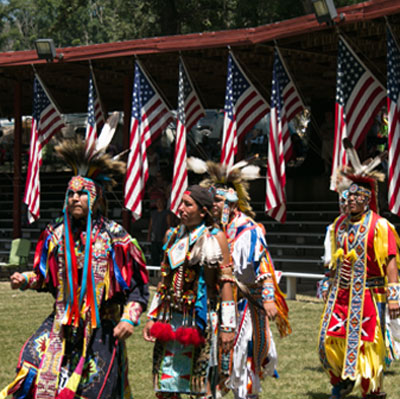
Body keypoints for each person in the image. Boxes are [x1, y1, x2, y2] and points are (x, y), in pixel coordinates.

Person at [1, 137, 149, 399]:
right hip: (62, 323)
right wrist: (24, 279)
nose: (76, 198)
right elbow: (45, 278)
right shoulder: (55, 234)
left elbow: (137, 288)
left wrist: (129, 318)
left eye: (82, 194)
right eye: (71, 193)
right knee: (31, 366)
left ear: (96, 198)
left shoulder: (116, 238)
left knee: (94, 388)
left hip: (101, 326)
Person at [189, 158, 291, 399]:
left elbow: (263, 264)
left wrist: (268, 299)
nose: (214, 206)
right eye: (212, 201)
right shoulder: (207, 229)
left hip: (245, 303)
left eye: (220, 202)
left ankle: (246, 394)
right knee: (212, 355)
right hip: (215, 303)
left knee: (242, 356)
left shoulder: (249, 230)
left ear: (232, 205)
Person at [318, 150, 400, 399]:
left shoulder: (380, 226)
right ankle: (341, 380)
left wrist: (395, 295)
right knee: (328, 340)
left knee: (368, 344)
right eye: (348, 195)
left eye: (356, 196)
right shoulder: (338, 226)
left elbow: (390, 263)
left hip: (370, 295)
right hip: (340, 294)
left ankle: (371, 390)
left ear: (367, 199)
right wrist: (327, 282)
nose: (350, 200)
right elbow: (332, 260)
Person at [143, 185, 236, 399]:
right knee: (165, 386)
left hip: (200, 321)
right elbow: (164, 278)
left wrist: (228, 327)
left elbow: (226, 282)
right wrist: (152, 316)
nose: (181, 208)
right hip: (170, 320)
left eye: (188, 204)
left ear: (203, 211)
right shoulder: (173, 234)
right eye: (181, 203)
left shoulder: (215, 237)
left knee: (200, 386)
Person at [147, 196, 172, 266]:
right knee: (154, 256)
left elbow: (169, 225)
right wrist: (148, 235)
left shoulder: (166, 213)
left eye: (161, 202)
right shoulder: (153, 213)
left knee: (162, 255)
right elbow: (150, 225)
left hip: (163, 237)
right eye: (158, 202)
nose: (159, 204)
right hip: (154, 237)